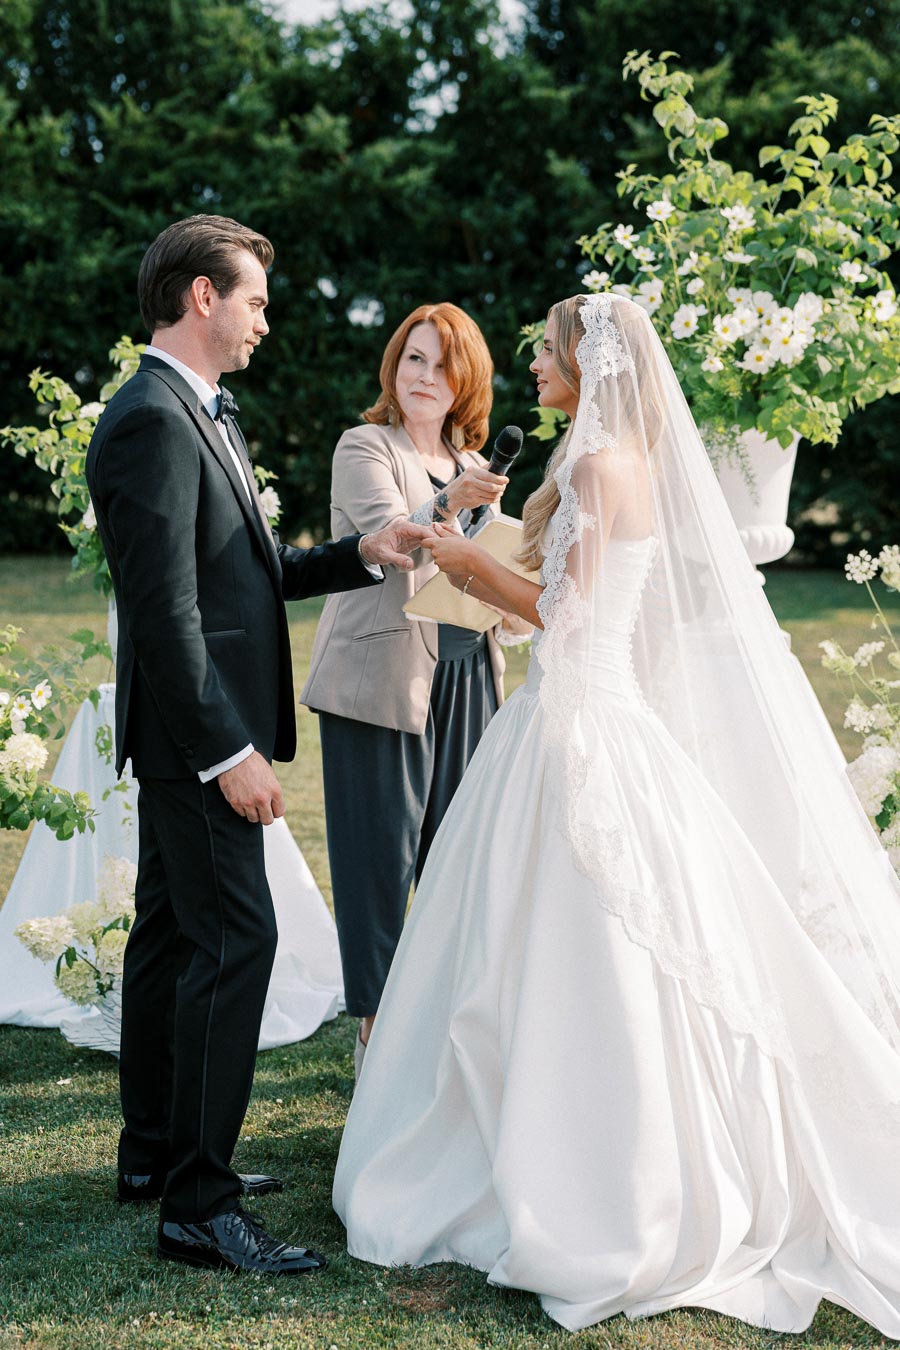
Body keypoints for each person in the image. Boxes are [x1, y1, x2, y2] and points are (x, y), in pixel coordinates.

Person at [333, 292, 900, 1336]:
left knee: (565, 933)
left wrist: (464, 564)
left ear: (588, 367)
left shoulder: (599, 467)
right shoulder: (607, 463)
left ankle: (582, 1164)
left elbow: (567, 613)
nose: (536, 367)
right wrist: (492, 545)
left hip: (577, 720)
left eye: (547, 355)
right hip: (589, 713)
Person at [85, 214, 430, 1276]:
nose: (265, 323)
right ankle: (199, 1203)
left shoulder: (197, 412)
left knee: (173, 937)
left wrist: (361, 553)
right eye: (255, 301)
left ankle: (154, 1153)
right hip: (199, 737)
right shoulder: (151, 417)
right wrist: (228, 752)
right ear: (202, 298)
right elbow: (165, 613)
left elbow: (247, 567)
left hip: (189, 733)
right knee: (238, 944)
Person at [301, 303, 528, 1075]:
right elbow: (394, 540)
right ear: (393, 370)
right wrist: (453, 507)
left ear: (467, 379)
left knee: (457, 863)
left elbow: (490, 576)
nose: (424, 377)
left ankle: (435, 1034)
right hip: (384, 681)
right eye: (412, 360)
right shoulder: (365, 445)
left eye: (441, 364)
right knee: (378, 863)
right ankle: (374, 1041)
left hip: (471, 678)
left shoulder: (474, 466)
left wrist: (512, 592)